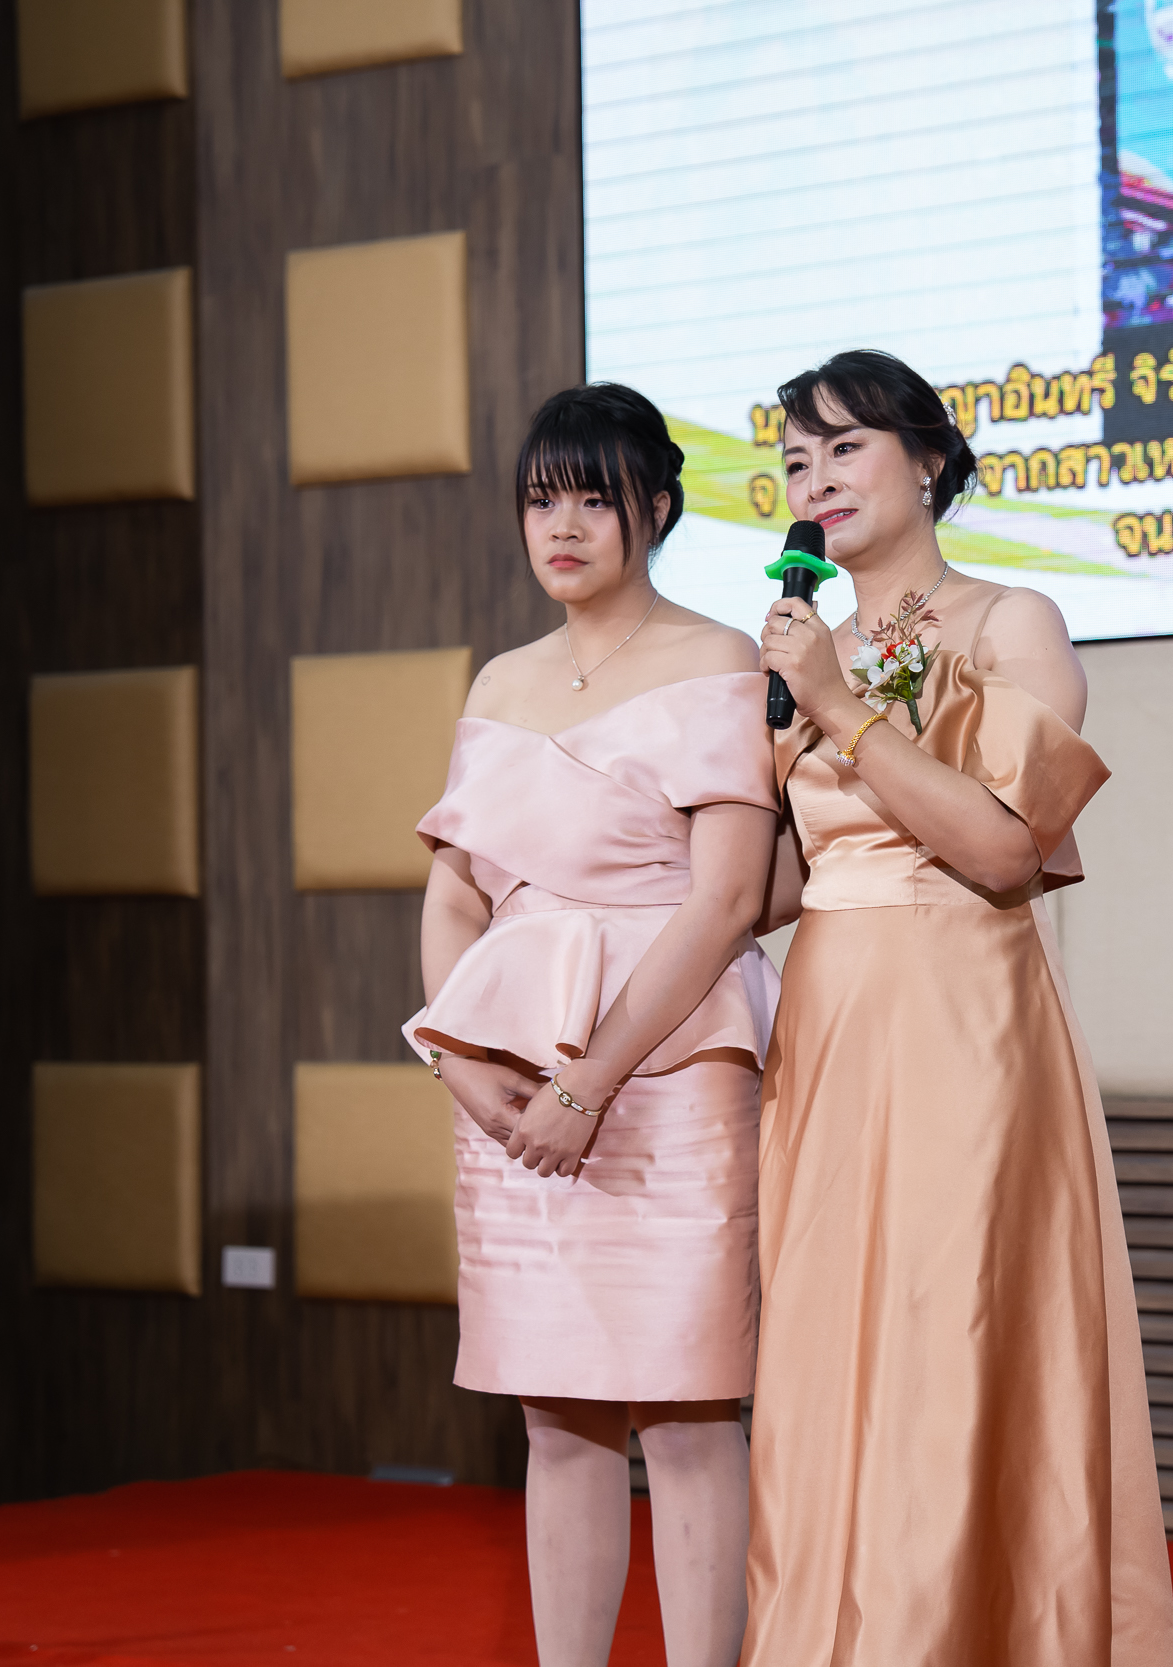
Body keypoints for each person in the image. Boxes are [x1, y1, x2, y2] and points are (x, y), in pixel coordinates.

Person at [744, 350, 1173, 1666]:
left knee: (951, 1336)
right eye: (797, 460)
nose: (816, 479)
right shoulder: (802, 651)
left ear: (928, 460)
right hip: (828, 1016)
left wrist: (840, 709)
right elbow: (784, 876)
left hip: (962, 1016)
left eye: (846, 448)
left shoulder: (1009, 622)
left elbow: (1002, 849)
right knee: (826, 1352)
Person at [406, 383, 779, 1667]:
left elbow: (727, 898)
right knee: (555, 1417)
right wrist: (463, 1065)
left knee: (687, 1410)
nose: (560, 527)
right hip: (511, 1074)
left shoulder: (717, 657)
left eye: (591, 499)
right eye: (538, 500)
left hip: (670, 1065)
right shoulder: (500, 678)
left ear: (655, 509)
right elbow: (454, 896)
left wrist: (591, 1083)